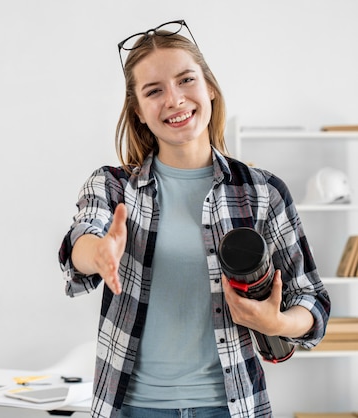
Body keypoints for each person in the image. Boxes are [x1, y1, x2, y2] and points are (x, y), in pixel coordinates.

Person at [58, 19, 330, 418]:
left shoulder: (262, 192)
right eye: (154, 91)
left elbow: (312, 299)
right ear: (139, 112)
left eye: (186, 80)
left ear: (210, 88)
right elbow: (79, 242)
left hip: (232, 408)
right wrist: (99, 253)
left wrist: (277, 323)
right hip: (132, 408)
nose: (174, 99)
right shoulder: (114, 186)